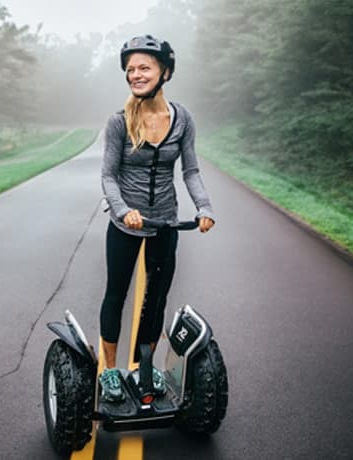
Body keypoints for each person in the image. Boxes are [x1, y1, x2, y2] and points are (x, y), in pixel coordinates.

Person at [99, 34, 216, 402]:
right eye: (130, 69)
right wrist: (122, 211)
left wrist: (204, 208)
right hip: (125, 225)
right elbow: (108, 176)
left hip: (165, 223)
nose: (135, 74)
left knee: (157, 298)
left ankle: (141, 369)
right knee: (116, 295)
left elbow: (191, 171)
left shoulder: (182, 119)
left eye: (144, 67)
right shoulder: (119, 122)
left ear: (165, 71)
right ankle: (110, 371)